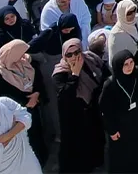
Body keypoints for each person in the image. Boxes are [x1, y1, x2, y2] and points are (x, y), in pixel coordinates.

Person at [0, 40, 48, 165]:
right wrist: (25, 102)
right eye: (20, 54)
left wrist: (37, 94)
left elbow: (38, 80)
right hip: (14, 117)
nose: (24, 56)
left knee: (36, 135)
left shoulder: (25, 62)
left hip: (32, 108)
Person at [52, 35, 107, 174]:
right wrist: (75, 75)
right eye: (69, 54)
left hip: (92, 109)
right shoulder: (60, 73)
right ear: (64, 55)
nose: (74, 57)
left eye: (77, 52)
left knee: (95, 138)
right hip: (73, 116)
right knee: (76, 146)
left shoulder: (90, 59)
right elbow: (64, 95)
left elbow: (103, 75)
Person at [99, 50, 138, 174]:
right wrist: (112, 130)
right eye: (125, 64)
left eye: (131, 62)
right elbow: (105, 110)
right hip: (121, 125)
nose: (129, 66)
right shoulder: (110, 85)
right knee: (124, 153)